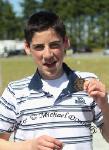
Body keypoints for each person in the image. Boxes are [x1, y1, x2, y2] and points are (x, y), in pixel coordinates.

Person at [0, 11, 109, 150]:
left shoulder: (87, 83)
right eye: (39, 47)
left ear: (65, 42)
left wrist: (104, 104)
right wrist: (29, 146)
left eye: (54, 45)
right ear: (27, 48)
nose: (48, 54)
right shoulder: (15, 92)